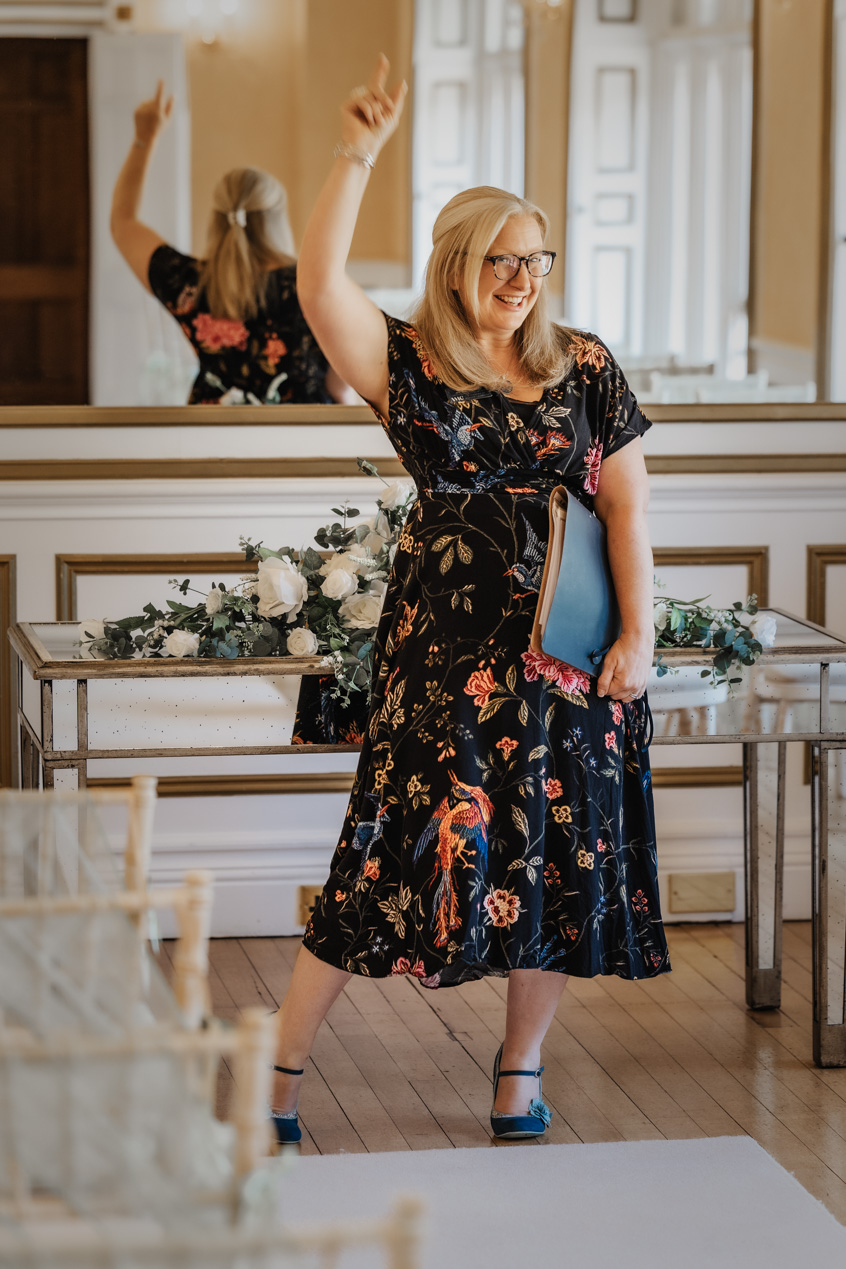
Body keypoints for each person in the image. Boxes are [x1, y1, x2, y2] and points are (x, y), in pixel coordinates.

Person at [268, 55, 669, 1146]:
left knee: (550, 858)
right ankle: (280, 1078)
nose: (523, 279)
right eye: (501, 260)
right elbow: (317, 287)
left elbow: (626, 510)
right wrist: (357, 153)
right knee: (385, 857)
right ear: (456, 264)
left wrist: (639, 632)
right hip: (443, 663)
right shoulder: (412, 364)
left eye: (537, 260)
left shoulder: (585, 366)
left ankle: (518, 1074)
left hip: (569, 661)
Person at [110, 82, 352, 405]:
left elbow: (122, 221)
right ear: (276, 220)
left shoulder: (189, 284)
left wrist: (145, 137)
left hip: (211, 438)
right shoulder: (313, 286)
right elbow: (340, 388)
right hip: (301, 442)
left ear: (217, 219)